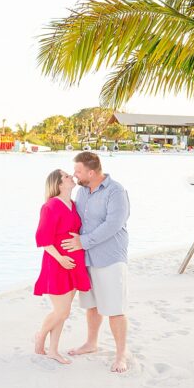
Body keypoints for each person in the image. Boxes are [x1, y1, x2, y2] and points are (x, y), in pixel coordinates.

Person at [62, 151, 130, 373]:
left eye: (78, 171)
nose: (75, 174)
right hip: (87, 258)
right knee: (92, 305)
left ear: (91, 172)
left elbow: (114, 224)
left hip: (109, 257)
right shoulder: (82, 191)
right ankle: (91, 343)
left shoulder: (115, 191)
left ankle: (121, 355)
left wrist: (83, 242)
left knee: (114, 308)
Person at [33, 169, 91, 365]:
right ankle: (40, 335)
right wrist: (60, 259)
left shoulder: (73, 205)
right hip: (57, 263)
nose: (71, 177)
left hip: (74, 263)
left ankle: (53, 350)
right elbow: (43, 239)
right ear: (58, 184)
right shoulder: (50, 206)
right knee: (62, 311)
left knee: (64, 312)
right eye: (67, 176)